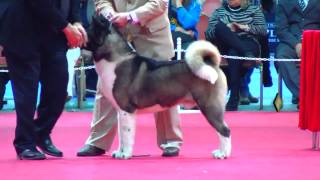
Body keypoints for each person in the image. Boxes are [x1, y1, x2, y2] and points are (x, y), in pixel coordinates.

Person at [77, 0, 183, 157]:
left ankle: (171, 141)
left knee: (163, 86)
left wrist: (130, 16)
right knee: (106, 87)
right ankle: (98, 142)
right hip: (116, 36)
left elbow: (160, 3)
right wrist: (109, 14)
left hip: (152, 35)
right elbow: (101, 1)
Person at [0, 0, 87, 160]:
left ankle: (41, 132)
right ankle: (25, 143)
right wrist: (67, 27)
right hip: (21, 28)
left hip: (54, 33)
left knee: (59, 88)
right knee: (27, 92)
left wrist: (77, 22)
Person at [205, 0, 267, 111]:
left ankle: (233, 98)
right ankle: (246, 54)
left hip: (248, 42)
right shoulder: (219, 12)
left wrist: (243, 27)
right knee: (220, 27)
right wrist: (227, 28)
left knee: (234, 54)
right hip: (227, 44)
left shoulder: (254, 10)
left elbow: (263, 30)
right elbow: (208, 33)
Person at [275, 0, 320, 108]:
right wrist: (296, 44)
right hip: (291, 41)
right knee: (282, 56)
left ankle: (306, 98)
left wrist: (312, 40)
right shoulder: (283, 2)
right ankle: (305, 96)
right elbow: (281, 29)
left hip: (316, 39)